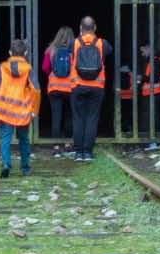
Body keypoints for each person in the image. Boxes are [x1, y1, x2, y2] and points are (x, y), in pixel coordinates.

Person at [0, 38, 40, 178]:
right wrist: (34, 110)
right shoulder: (28, 69)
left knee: (5, 138)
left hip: (5, 110)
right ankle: (25, 168)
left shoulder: (2, 68)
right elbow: (36, 90)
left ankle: (6, 164)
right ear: (26, 52)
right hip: (22, 110)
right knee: (24, 139)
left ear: (10, 52)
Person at [69, 16, 112, 162]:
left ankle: (78, 152)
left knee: (78, 118)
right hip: (97, 86)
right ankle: (87, 152)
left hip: (78, 86)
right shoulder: (103, 43)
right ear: (95, 28)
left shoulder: (73, 43)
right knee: (92, 118)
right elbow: (108, 53)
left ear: (80, 28)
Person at [41, 26, 75, 157]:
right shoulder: (74, 50)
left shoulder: (51, 50)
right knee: (69, 116)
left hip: (54, 88)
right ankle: (67, 144)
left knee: (56, 116)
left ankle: (56, 147)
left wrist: (52, 75)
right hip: (70, 88)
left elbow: (45, 68)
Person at [137, 40, 160, 150]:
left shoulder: (155, 61)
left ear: (148, 47)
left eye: (143, 50)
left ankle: (154, 142)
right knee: (156, 116)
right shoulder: (156, 60)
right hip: (155, 93)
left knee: (153, 117)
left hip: (155, 93)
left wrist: (142, 78)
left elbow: (154, 78)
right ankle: (157, 141)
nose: (142, 53)